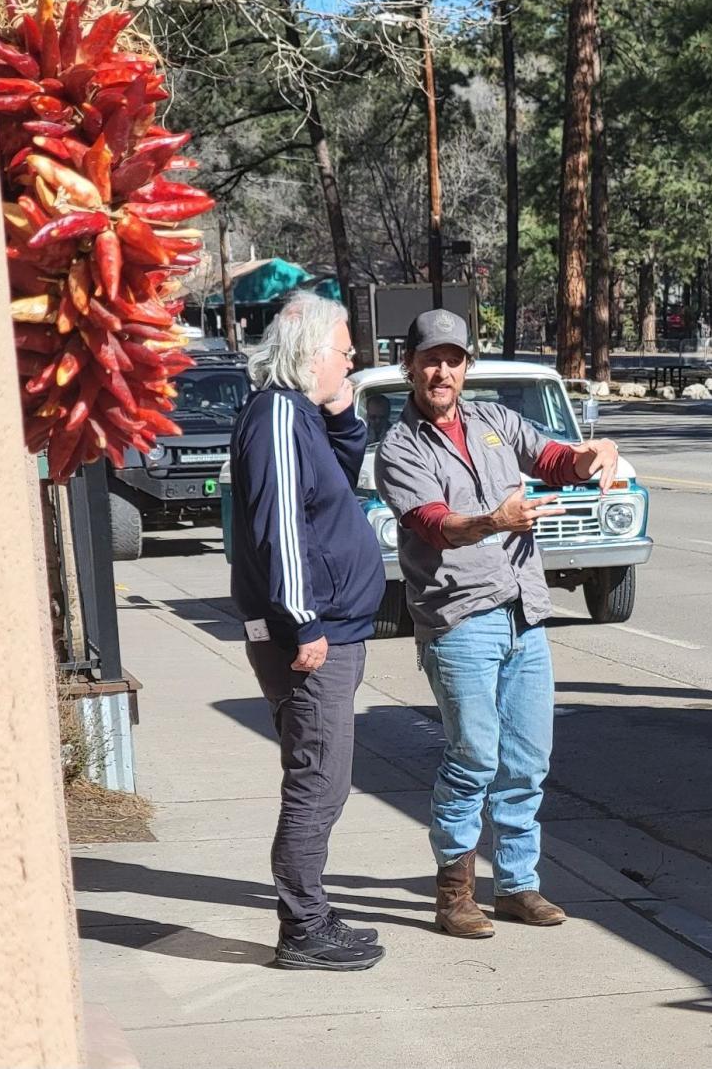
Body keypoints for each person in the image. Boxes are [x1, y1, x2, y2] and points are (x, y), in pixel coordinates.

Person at [375, 309, 621, 939]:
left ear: (467, 367)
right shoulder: (400, 448)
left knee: (526, 760)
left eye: (453, 359)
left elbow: (556, 458)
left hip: (524, 613)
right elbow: (434, 525)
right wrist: (494, 520)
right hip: (459, 622)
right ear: (411, 366)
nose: (442, 371)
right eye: (431, 358)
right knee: (474, 755)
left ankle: (516, 885)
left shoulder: (494, 421)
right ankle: (455, 893)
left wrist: (598, 452)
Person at [229, 291, 386, 972]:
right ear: (311, 351)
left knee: (324, 774)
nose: (351, 360)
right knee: (318, 779)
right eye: (345, 350)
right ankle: (303, 925)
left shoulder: (298, 416)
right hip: (310, 634)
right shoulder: (274, 417)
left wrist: (345, 415)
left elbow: (337, 485)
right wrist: (304, 622)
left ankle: (311, 911)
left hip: (327, 627)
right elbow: (280, 530)